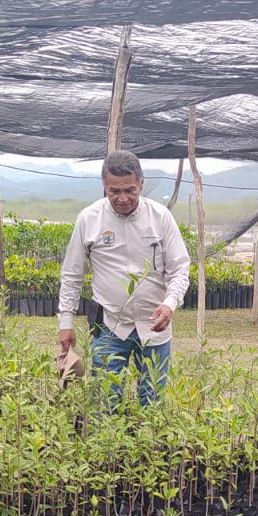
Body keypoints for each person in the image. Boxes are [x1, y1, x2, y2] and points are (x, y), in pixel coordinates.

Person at [57, 150, 191, 407]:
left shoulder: (160, 217)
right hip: (109, 326)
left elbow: (180, 268)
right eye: (114, 191)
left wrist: (170, 303)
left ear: (141, 183)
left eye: (130, 190)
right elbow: (72, 275)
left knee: (152, 402)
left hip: (154, 327)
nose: (122, 198)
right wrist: (66, 321)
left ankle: (146, 446)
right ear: (104, 186)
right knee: (104, 401)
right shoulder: (89, 219)